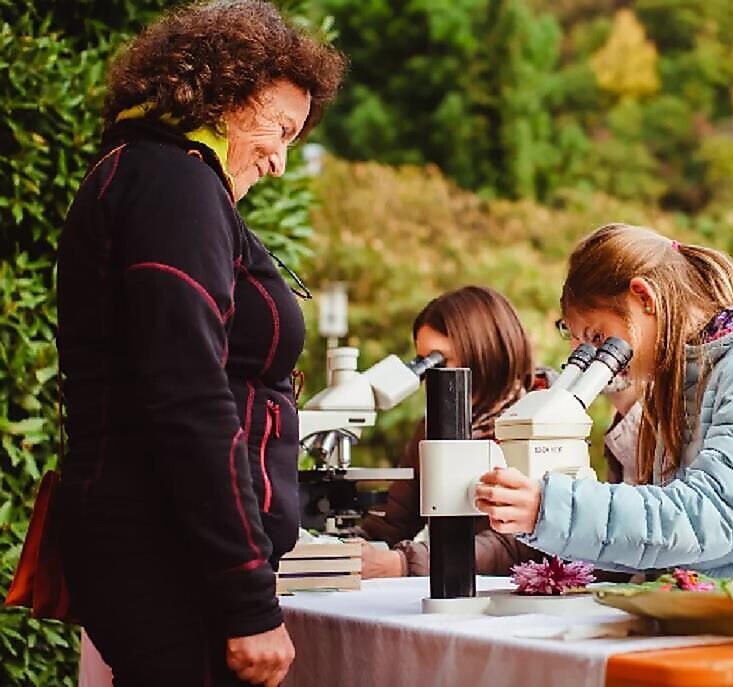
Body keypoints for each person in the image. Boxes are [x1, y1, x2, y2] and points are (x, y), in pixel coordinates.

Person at [56, 2, 345, 685]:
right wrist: (248, 598)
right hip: (169, 560)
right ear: (229, 93)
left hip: (163, 552)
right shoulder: (174, 186)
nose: (278, 161)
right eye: (280, 130)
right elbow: (188, 398)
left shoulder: (150, 174)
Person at [476, 223, 733, 581]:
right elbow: (655, 543)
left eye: (599, 336)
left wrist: (553, 506)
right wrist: (536, 519)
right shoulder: (682, 379)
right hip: (716, 616)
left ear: (644, 297)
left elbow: (709, 518)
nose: (600, 358)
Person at [350, 285, 548, 578]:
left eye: (439, 362)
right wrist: (335, 547)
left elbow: (515, 545)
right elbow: (392, 524)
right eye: (423, 363)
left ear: (485, 351)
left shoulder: (541, 421)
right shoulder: (435, 427)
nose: (430, 378)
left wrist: (405, 563)